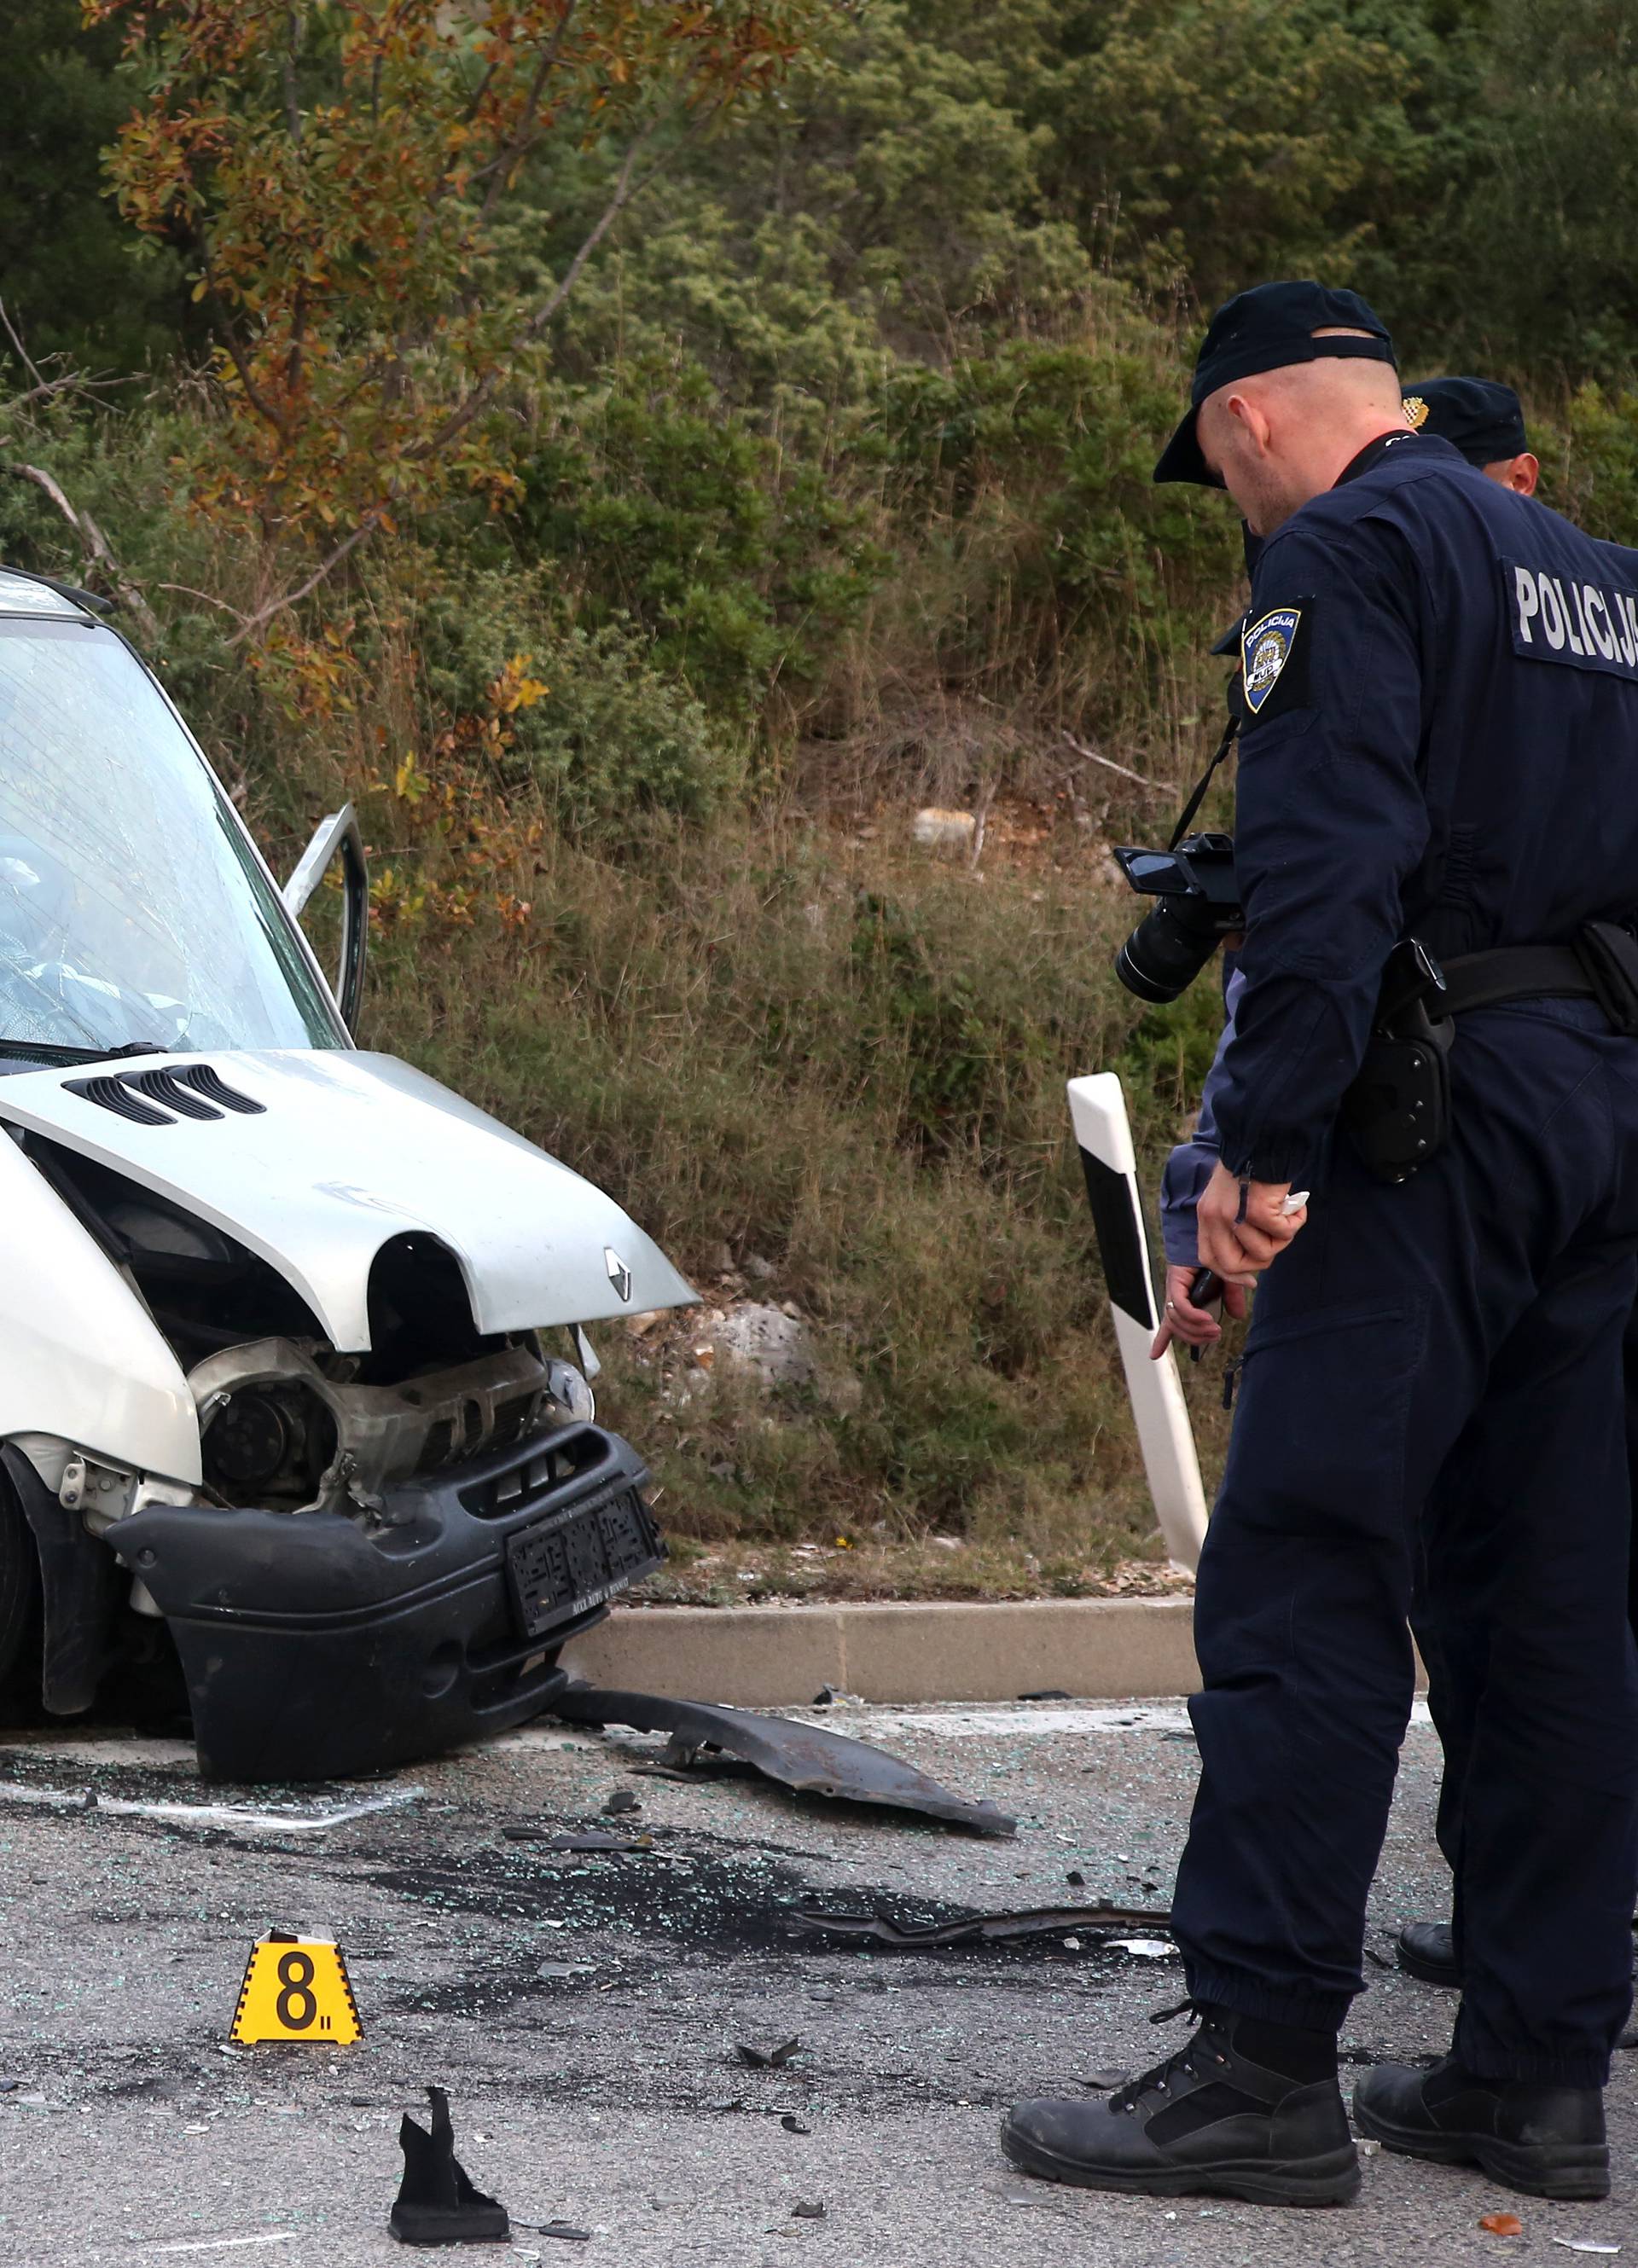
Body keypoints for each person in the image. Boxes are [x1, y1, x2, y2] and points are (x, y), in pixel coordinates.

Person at [1002, 281, 1638, 2208]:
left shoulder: (1349, 549)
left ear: (1255, 417)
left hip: (1423, 1110)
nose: (1224, 493)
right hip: (1602, 1111)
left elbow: (1327, 866)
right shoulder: (1601, 581)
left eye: (1212, 458)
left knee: (1306, 1565)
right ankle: (1535, 2076)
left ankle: (1263, 2066)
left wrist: (1254, 1160)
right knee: (1552, 1605)